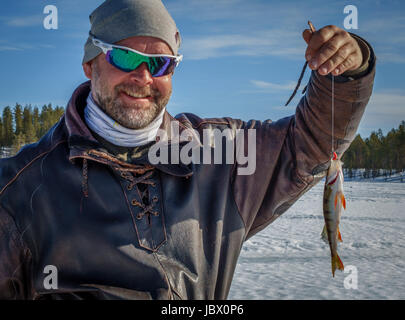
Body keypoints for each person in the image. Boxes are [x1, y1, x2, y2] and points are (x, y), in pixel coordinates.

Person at [0, 0, 375, 300]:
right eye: (125, 57)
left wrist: (346, 75)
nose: (143, 77)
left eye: (160, 63)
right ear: (89, 62)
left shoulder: (220, 155)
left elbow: (308, 146)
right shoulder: (18, 189)